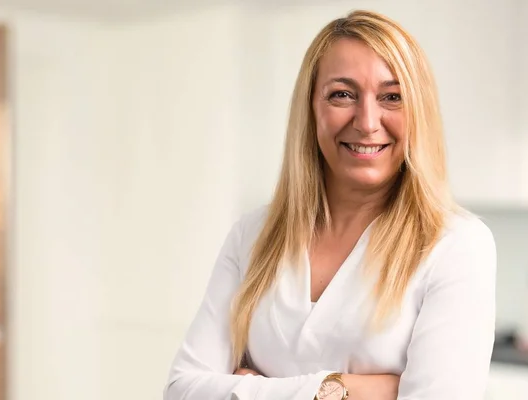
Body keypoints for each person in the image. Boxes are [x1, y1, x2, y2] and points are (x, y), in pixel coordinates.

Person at [164, 9, 496, 400]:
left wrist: (251, 388)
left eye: (392, 97)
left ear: (418, 112)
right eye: (342, 94)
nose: (368, 121)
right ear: (311, 109)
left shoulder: (457, 245)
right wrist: (334, 390)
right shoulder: (252, 236)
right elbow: (182, 388)